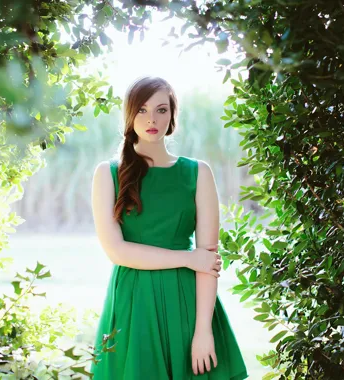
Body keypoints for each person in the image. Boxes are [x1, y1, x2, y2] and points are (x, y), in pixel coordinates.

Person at [89, 76, 248, 379]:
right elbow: (117, 251)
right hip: (133, 304)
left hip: (187, 302)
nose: (152, 119)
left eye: (161, 110)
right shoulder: (108, 173)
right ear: (129, 115)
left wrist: (203, 331)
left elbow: (209, 259)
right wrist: (188, 258)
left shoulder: (197, 172)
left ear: (173, 115)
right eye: (142, 110)